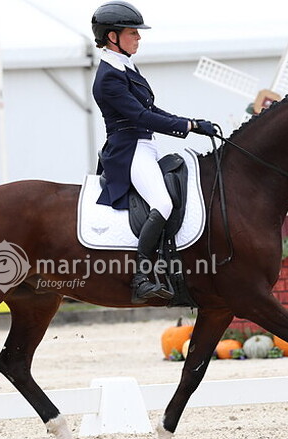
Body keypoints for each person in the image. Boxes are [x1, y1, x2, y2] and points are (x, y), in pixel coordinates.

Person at [91, 1, 217, 303]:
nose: (138, 38)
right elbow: (141, 116)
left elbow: (152, 109)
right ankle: (141, 277)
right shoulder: (109, 76)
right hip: (128, 149)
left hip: (143, 145)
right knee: (162, 203)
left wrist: (191, 123)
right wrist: (188, 126)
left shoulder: (125, 67)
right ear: (112, 37)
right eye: (132, 33)